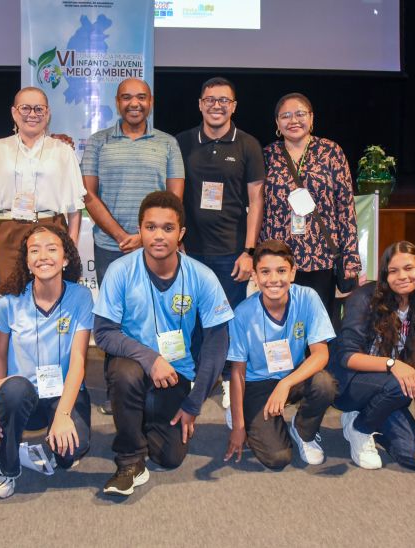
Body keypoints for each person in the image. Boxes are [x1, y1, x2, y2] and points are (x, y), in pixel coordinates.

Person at [93, 191, 233, 496]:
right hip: (133, 366)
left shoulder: (202, 276)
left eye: (168, 228)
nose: (158, 236)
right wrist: (150, 358)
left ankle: (138, 420)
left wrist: (193, 404)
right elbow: (103, 333)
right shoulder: (120, 271)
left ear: (181, 233)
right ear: (140, 230)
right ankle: (129, 461)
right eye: (151, 227)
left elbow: (217, 343)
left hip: (176, 374)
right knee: (125, 373)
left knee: (169, 457)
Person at [81, 77, 185, 414]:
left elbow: (174, 199)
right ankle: (119, 391)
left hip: (157, 246)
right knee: (116, 320)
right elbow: (88, 195)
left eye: (141, 97)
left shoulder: (167, 143)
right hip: (111, 247)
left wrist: (145, 235)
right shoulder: (98, 142)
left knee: (159, 314)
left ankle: (162, 384)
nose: (134, 103)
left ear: (150, 102)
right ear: (117, 102)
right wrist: (120, 235)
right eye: (126, 97)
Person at [175, 76, 265, 422]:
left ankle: (228, 376)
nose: (217, 105)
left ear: (234, 106)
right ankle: (197, 374)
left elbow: (256, 201)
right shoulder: (183, 142)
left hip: (232, 252)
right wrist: (177, 242)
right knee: (192, 316)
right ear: (200, 104)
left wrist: (249, 251)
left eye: (224, 100)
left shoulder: (248, 144)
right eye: (210, 99)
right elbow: (175, 194)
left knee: (227, 318)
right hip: (191, 250)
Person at [0, 225, 92, 499]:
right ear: (27, 261)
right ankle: (7, 466)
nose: (43, 256)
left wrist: (63, 414)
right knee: (14, 389)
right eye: (34, 250)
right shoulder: (9, 301)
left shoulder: (81, 297)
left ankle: (49, 440)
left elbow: (78, 361)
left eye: (52, 249)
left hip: (62, 393)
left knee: (72, 451)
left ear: (65, 258)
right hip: (22, 397)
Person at [224, 240, 336, 469]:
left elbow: (321, 354)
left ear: (293, 273)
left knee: (324, 384)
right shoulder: (242, 314)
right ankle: (245, 411)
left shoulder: (308, 298)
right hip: (257, 383)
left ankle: (303, 431)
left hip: (292, 376)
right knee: (277, 459)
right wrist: (238, 425)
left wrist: (285, 384)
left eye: (282, 271)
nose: (274, 279)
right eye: (265, 272)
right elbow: (238, 373)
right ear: (254, 276)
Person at [331, 241, 415, 470]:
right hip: (350, 383)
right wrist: (393, 364)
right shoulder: (364, 298)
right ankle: (360, 429)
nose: (403, 276)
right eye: (393, 271)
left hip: (388, 389)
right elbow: (347, 357)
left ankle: (367, 417)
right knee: (399, 385)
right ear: (384, 275)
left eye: (409, 268)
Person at [260, 92, 360, 321]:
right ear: (277, 122)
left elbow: (345, 208)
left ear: (312, 118)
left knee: (318, 323)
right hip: (279, 258)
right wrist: (259, 254)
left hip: (321, 256)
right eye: (285, 116)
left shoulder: (331, 152)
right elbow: (259, 208)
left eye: (300, 114)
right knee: (281, 321)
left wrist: (350, 256)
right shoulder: (267, 155)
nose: (293, 121)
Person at [0, 87, 86, 282]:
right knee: (11, 293)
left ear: (47, 113)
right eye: (25, 108)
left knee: (49, 294)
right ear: (14, 112)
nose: (32, 114)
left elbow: (75, 208)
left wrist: (72, 247)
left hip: (51, 231)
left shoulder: (63, 151)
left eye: (39, 109)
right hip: (9, 232)